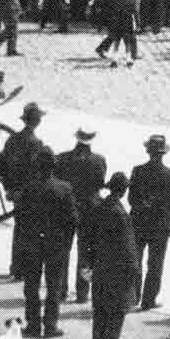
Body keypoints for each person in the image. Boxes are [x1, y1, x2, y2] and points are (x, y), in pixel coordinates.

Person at [14, 147, 76, 338]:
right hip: (55, 245)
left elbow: (20, 218)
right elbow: (72, 220)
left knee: (31, 286)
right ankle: (50, 325)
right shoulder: (65, 189)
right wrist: (66, 243)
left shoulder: (29, 187)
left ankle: (33, 324)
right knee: (53, 286)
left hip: (32, 243)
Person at [85, 173, 138, 339]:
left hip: (100, 265)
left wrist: (89, 263)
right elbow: (128, 245)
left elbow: (89, 238)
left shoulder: (99, 208)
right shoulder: (121, 214)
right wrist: (134, 268)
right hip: (117, 268)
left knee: (100, 308)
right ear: (124, 190)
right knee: (117, 309)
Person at [129, 134, 170, 311]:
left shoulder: (137, 171)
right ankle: (148, 300)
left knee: (136, 261)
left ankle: (133, 297)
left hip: (139, 223)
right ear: (163, 153)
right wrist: (158, 209)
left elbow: (131, 200)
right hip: (160, 225)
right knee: (156, 265)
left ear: (147, 151)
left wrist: (145, 207)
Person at [59, 129, 109, 304]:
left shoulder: (63, 158)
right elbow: (100, 183)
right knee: (86, 254)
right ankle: (82, 292)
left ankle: (60, 289)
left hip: (67, 209)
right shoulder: (99, 160)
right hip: (89, 210)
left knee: (63, 251)